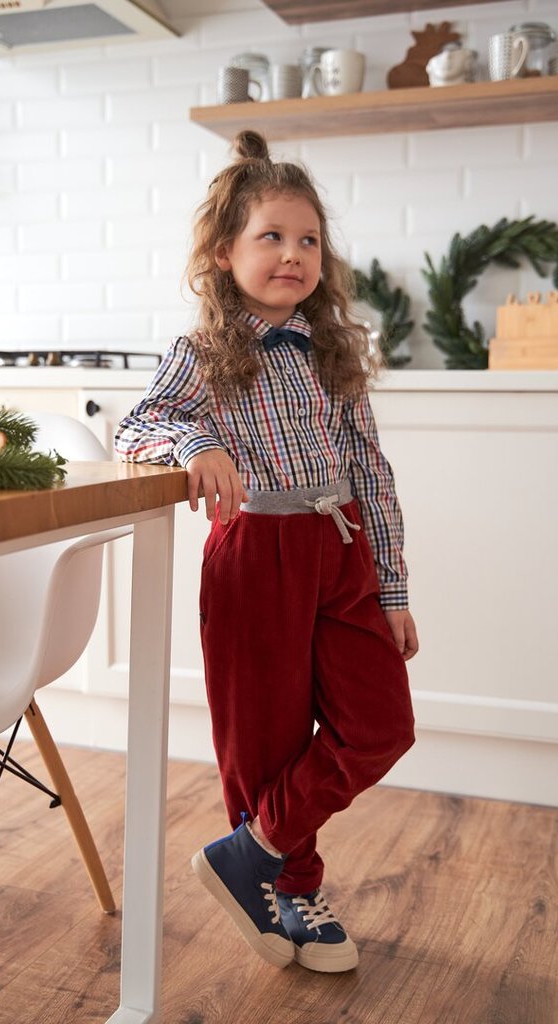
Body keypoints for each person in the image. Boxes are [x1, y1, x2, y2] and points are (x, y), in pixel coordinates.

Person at [115, 130, 418, 975]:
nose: (293, 254)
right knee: (266, 741)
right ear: (224, 253)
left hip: (341, 546)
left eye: (309, 240)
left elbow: (371, 470)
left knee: (381, 725)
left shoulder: (335, 352)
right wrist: (196, 443)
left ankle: (249, 854)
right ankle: (293, 889)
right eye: (272, 236)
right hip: (255, 552)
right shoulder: (201, 353)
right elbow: (138, 425)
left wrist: (393, 589)